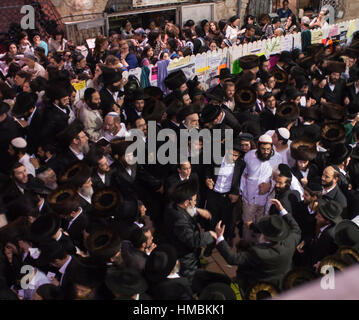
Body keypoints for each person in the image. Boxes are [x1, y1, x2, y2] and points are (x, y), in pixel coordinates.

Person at [211, 197, 301, 293]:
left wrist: (220, 238)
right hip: (281, 285)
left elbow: (233, 258)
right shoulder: (290, 242)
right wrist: (282, 210)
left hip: (260, 289)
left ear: (264, 235)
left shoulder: (258, 253)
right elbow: (296, 229)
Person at [164, 179, 215, 282]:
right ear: (186, 202)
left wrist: (197, 210)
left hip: (179, 249)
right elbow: (192, 240)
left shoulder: (172, 206)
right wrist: (211, 234)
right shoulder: (180, 221)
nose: (195, 203)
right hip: (185, 258)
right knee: (189, 281)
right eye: (194, 201)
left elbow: (187, 209)